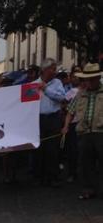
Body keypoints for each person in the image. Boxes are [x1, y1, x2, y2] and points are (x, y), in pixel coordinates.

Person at [61, 63, 103, 199]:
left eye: (92, 79)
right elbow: (70, 112)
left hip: (100, 131)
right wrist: (66, 126)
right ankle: (89, 189)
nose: (89, 82)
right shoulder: (80, 94)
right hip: (84, 133)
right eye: (86, 79)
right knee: (86, 163)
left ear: (98, 77)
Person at [33, 58, 66, 187]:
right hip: (39, 119)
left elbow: (62, 97)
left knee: (52, 148)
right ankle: (40, 176)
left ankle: (53, 176)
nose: (55, 71)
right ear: (44, 70)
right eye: (52, 68)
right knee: (39, 149)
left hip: (53, 118)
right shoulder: (34, 84)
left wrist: (46, 89)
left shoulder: (57, 83)